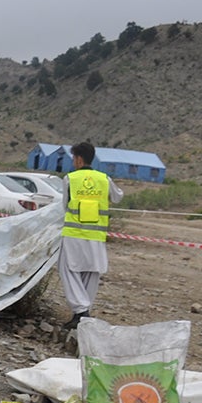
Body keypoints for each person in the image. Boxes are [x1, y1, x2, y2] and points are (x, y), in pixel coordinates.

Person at [59, 141, 122, 329]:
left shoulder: (70, 179)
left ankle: (81, 311)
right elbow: (118, 196)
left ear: (78, 159)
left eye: (73, 158)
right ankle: (83, 313)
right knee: (91, 272)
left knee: (68, 270)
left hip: (74, 234)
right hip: (96, 237)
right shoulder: (105, 179)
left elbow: (64, 206)